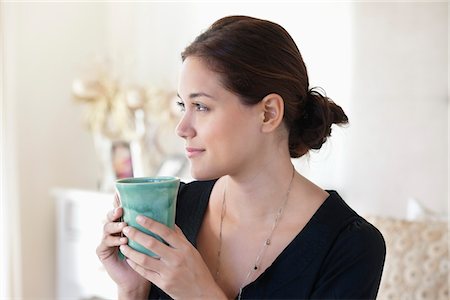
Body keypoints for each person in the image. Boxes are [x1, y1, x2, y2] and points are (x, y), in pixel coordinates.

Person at [96, 15, 386, 299]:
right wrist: (133, 289)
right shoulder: (174, 212)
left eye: (201, 106)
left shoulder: (350, 246)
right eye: (183, 105)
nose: (181, 128)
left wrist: (200, 294)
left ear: (268, 113)